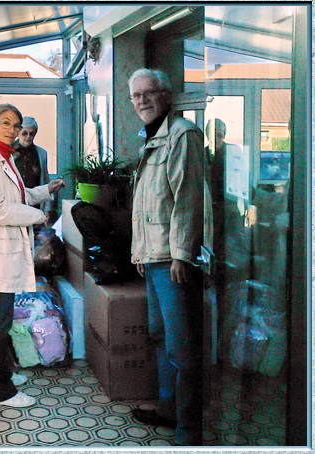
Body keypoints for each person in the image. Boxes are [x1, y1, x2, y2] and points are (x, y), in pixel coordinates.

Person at [0, 103, 65, 408]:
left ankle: (1, 376)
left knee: (1, 321)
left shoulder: (3, 158)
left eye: (15, 125)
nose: (12, 130)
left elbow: (17, 196)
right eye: (5, 123)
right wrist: (37, 216)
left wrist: (47, 189)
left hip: (2, 252)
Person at [127, 68, 204, 446]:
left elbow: (187, 199)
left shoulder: (182, 134)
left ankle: (188, 429)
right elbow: (148, 203)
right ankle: (168, 409)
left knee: (181, 348)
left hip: (171, 260)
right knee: (160, 337)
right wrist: (139, 252)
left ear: (166, 95)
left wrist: (182, 255)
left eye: (149, 93)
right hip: (153, 256)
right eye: (136, 96)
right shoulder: (152, 136)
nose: (142, 101)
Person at [12, 117, 53, 220]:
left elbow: (45, 181)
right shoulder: (8, 151)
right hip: (13, 204)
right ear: (18, 132)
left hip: (35, 205)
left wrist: (47, 209)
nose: (28, 137)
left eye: (32, 133)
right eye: (24, 133)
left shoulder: (41, 154)